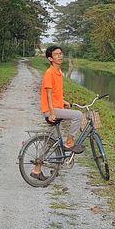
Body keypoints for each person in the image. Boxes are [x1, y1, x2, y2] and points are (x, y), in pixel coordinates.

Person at [32, 45, 84, 180]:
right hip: (51, 110)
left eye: (61, 53)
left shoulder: (58, 72)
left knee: (51, 141)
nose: (60, 56)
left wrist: (64, 102)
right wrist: (52, 113)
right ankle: (69, 142)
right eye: (56, 54)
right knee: (78, 115)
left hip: (55, 108)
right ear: (50, 58)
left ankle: (36, 170)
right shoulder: (49, 73)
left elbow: (56, 93)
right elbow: (48, 95)